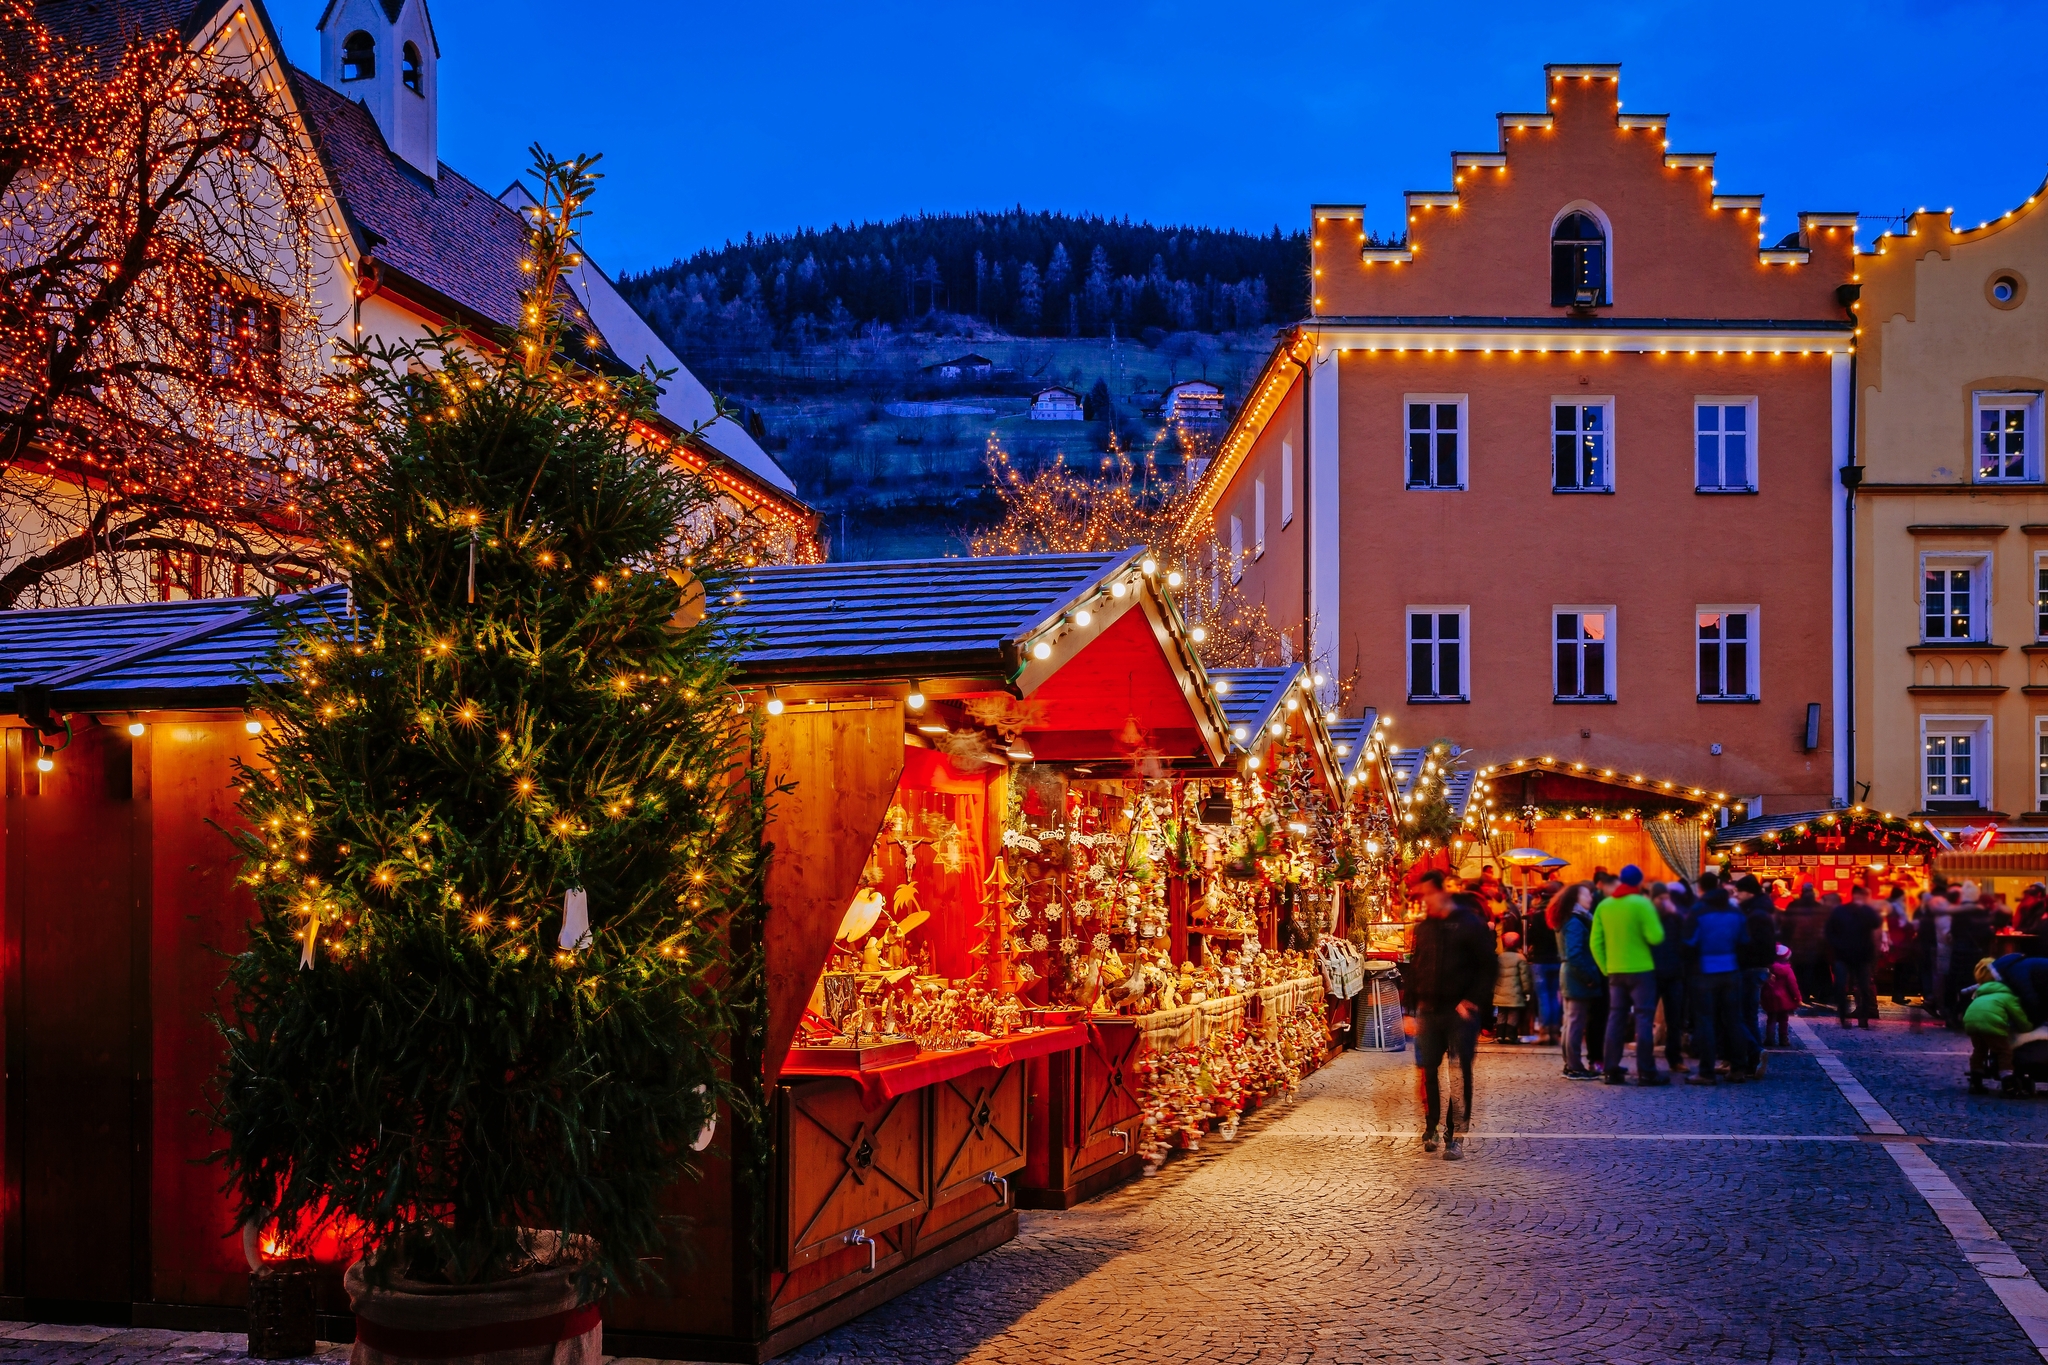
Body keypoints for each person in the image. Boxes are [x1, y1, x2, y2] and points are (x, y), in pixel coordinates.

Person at [1405, 882, 1495, 1160]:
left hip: (1459, 1013)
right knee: (1428, 1070)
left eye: (1428, 897)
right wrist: (1410, 1008)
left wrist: (1472, 1000)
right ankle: (1431, 1127)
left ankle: (1454, 1135)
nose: (1424, 903)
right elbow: (1415, 965)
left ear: (1442, 894)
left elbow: (1489, 966)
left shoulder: (1470, 924)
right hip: (1429, 1010)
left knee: (1458, 1073)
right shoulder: (1425, 928)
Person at [1592, 865, 1668, 1086]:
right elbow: (1656, 937)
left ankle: (1611, 1070)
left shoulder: (1604, 906)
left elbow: (1595, 942)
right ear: (1638, 882)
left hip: (1615, 970)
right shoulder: (1642, 904)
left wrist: (1606, 967)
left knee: (1615, 1019)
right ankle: (1646, 1072)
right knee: (1644, 1019)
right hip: (1641, 970)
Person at [1685, 881, 1750, 1084]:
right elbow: (1745, 942)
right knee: (1734, 1020)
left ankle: (1706, 1072)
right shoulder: (1736, 913)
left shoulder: (1698, 912)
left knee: (1706, 1022)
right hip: (1731, 971)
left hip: (1705, 972)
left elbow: (1689, 942)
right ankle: (1738, 1069)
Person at [1556, 881, 1603, 1079]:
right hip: (1576, 976)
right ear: (1576, 898)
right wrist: (1589, 977)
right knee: (1575, 1022)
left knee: (1570, 1022)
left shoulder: (1570, 919)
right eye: (1586, 895)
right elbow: (1575, 954)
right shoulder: (1575, 922)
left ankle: (1571, 1064)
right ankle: (1574, 1066)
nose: (1590, 898)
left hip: (1570, 974)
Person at [1733, 875, 1777, 1075]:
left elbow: (1752, 943)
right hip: (1758, 968)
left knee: (1738, 1014)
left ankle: (1755, 1051)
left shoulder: (1755, 914)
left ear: (1748, 892)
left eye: (1739, 891)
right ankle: (1754, 1060)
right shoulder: (1761, 910)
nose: (1736, 895)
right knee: (1749, 1015)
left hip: (1750, 968)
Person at [1965, 957, 2030, 1083]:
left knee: (1979, 1050)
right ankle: (2007, 1080)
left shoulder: (1979, 992)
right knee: (2003, 1051)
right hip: (1991, 1023)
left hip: (1971, 1022)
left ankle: (1975, 1079)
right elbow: (2018, 1015)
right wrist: (2027, 1027)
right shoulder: (2006, 994)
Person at [1650, 880, 1693, 1076]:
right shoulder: (1669, 917)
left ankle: (1672, 1058)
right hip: (1662, 973)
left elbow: (1685, 944)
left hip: (1667, 973)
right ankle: (1664, 1059)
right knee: (1664, 1018)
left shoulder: (1675, 918)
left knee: (1673, 1019)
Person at [1826, 886, 1882, 1029]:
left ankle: (1851, 1017)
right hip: (1858, 955)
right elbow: (1877, 926)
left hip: (1848, 955)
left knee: (1849, 987)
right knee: (1858, 987)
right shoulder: (1862, 911)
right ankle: (1856, 1018)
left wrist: (1837, 945)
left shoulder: (1841, 911)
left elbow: (1829, 932)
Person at [1525, 887, 1563, 1045]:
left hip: (1540, 960)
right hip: (1557, 959)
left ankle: (1545, 1032)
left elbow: (1530, 938)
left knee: (1543, 998)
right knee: (1555, 997)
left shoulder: (1536, 915)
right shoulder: (1560, 914)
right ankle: (1555, 1031)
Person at [1493, 931, 1534, 1042]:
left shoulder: (1499, 957)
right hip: (1515, 993)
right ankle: (1510, 1035)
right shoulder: (1520, 958)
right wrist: (1526, 991)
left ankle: (1500, 1034)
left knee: (1501, 1013)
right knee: (1513, 1014)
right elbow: (1524, 977)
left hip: (1500, 993)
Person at [1761, 943, 1803, 1047]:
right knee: (1783, 1020)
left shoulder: (1767, 969)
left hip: (1769, 997)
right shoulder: (1788, 970)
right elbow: (1793, 985)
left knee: (1771, 1019)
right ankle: (1783, 1039)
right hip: (1784, 999)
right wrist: (1798, 998)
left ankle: (1769, 1038)